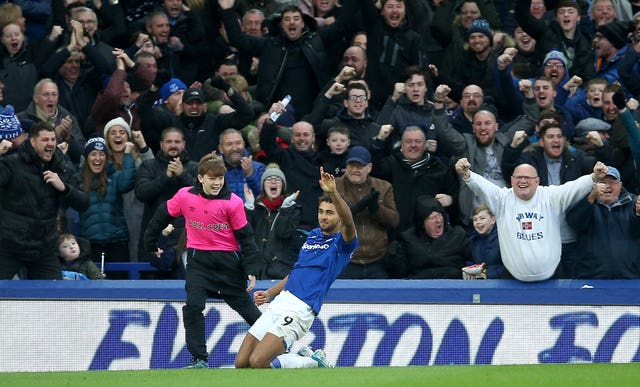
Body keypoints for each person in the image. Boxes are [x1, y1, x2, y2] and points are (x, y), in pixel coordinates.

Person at [143, 153, 262, 369]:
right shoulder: (184, 196)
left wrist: (252, 269)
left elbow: (247, 237)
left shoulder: (233, 203)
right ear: (200, 178)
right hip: (199, 262)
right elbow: (161, 215)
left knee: (250, 312)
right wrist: (151, 244)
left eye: (220, 178)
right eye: (212, 178)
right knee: (193, 307)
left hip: (228, 265)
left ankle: (285, 346)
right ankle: (199, 359)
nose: (217, 183)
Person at [234, 166, 358, 369]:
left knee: (258, 361)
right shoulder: (314, 235)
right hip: (281, 302)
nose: (323, 216)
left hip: (301, 309)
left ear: (339, 217)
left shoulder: (343, 243)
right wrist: (269, 293)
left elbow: (349, 222)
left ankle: (311, 361)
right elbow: (297, 272)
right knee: (242, 363)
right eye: (320, 212)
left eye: (329, 213)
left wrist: (333, 192)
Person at [455, 157, 608, 282]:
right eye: (518, 177)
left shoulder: (550, 196)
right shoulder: (502, 199)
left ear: (537, 181)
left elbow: (573, 187)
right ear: (512, 180)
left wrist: (593, 177)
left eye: (527, 177)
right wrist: (467, 175)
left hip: (552, 278)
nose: (523, 181)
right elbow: (482, 186)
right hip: (513, 280)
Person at [0, 122, 89, 279]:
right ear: (33, 142)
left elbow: (84, 202)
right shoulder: (12, 162)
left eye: (53, 139)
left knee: (55, 299)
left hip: (44, 249)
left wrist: (64, 188)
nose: (50, 144)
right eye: (45, 140)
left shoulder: (61, 166)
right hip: (9, 246)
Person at [135, 127, 198, 261]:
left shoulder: (194, 167)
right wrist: (165, 177)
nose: (173, 145)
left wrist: (182, 175)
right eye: (169, 141)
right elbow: (141, 193)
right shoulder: (148, 166)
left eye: (177, 141)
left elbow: (203, 195)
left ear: (184, 144)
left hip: (186, 237)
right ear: (161, 144)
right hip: (154, 233)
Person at [336, 146, 399, 279]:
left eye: (359, 166)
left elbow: (394, 221)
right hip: (344, 261)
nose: (354, 170)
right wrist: (357, 208)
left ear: (369, 167)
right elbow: (328, 222)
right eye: (351, 165)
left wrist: (376, 209)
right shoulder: (333, 187)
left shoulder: (383, 187)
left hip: (377, 262)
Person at [566, 166, 640, 278]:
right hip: (593, 277)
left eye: (612, 182)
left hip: (629, 277)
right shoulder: (586, 202)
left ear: (620, 185)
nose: (607, 186)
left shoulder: (634, 204)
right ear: (595, 186)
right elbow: (573, 222)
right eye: (603, 182)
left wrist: (638, 214)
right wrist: (591, 198)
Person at [78, 136, 136, 269]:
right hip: (90, 244)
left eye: (101, 154)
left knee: (120, 287)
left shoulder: (114, 176)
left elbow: (126, 183)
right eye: (93, 154)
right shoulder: (78, 179)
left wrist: (127, 154)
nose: (97, 158)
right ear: (86, 158)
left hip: (117, 242)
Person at [386, 195, 470, 279]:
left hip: (454, 285)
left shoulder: (457, 235)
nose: (439, 220)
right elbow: (398, 274)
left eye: (440, 215)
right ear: (422, 222)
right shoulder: (407, 239)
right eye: (433, 217)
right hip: (419, 287)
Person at [243, 165, 304, 279]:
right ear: (263, 186)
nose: (273, 182)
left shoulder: (292, 209)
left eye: (277, 179)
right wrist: (249, 208)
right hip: (256, 272)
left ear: (283, 185)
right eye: (269, 179)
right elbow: (245, 233)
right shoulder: (256, 208)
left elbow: (284, 233)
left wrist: (284, 210)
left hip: (280, 271)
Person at [218, 128, 266, 200]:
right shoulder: (214, 170)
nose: (234, 148)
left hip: (251, 210)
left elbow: (264, 198)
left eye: (238, 143)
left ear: (243, 145)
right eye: (229, 144)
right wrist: (218, 174)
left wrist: (250, 175)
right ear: (221, 148)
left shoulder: (259, 168)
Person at [468, 204, 503, 279]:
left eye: (482, 218)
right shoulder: (474, 240)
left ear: (493, 220)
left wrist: (487, 274)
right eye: (475, 219)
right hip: (482, 283)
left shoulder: (503, 237)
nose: (478, 222)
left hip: (502, 282)